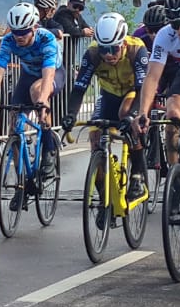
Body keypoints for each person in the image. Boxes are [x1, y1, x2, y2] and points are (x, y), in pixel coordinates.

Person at [62, 12, 151, 200]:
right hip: (108, 94)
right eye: (104, 49)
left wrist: (133, 116)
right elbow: (79, 88)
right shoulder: (93, 53)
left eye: (114, 48)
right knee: (95, 136)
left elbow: (143, 89)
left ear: (123, 43)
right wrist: (71, 114)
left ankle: (137, 175)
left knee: (126, 114)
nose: (108, 55)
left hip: (133, 93)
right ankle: (103, 196)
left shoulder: (137, 49)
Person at [134, 0, 180, 161]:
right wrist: (143, 112)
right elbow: (152, 76)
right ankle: (176, 178)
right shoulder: (165, 34)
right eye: (174, 24)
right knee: (172, 120)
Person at [0, 2, 64, 175]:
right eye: (15, 31)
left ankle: (48, 148)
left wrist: (42, 100)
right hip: (27, 76)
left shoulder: (46, 38)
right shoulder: (8, 40)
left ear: (34, 27)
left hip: (52, 74)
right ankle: (22, 182)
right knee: (14, 123)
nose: (18, 36)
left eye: (23, 32)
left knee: (37, 92)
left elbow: (48, 73)